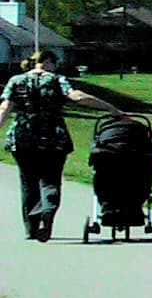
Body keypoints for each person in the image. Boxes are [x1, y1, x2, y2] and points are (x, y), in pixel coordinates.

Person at [4, 49, 117, 241]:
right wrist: (110, 108)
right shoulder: (57, 80)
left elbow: (5, 108)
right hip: (54, 139)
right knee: (50, 180)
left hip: (23, 138)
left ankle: (31, 228)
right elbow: (77, 96)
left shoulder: (16, 81)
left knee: (28, 182)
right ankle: (47, 209)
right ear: (48, 61)